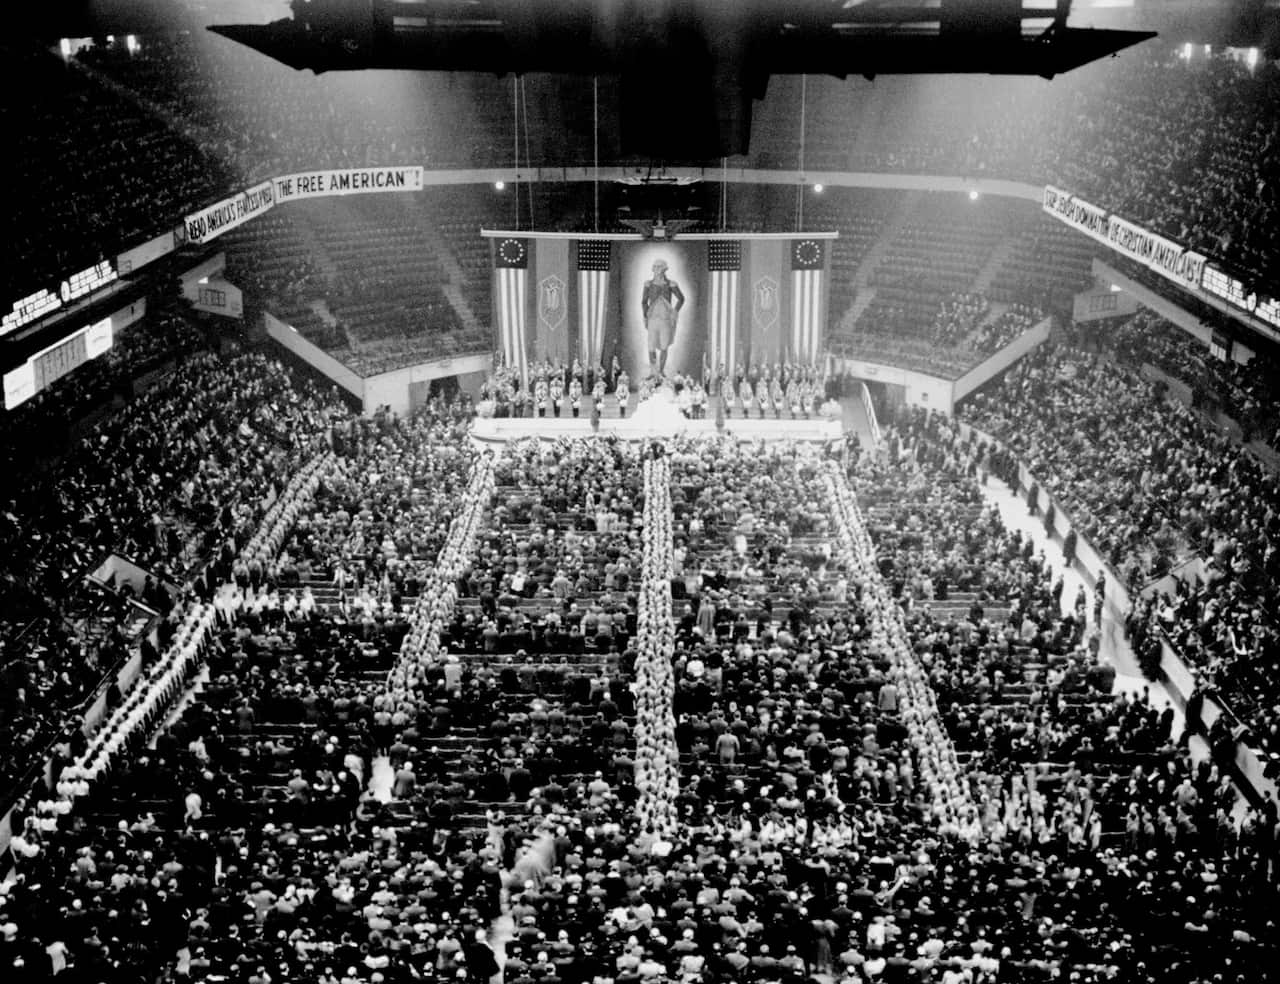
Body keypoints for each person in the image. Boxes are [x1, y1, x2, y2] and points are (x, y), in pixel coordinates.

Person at [642, 259, 685, 376]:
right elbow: (644, 302)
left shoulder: (671, 284)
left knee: (664, 346)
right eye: (655, 266)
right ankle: (653, 372)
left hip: (666, 319)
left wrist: (675, 312)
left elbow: (681, 299)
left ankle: (660, 371)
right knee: (651, 346)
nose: (656, 269)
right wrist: (645, 316)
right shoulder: (648, 284)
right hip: (652, 319)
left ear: (664, 269)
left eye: (659, 267)